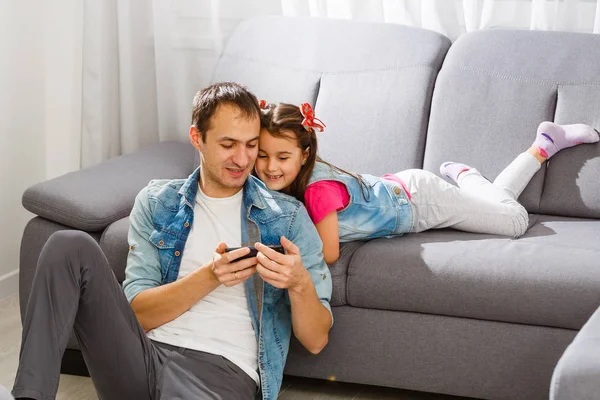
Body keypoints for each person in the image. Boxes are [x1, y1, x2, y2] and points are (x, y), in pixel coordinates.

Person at [12, 83, 333, 400]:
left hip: (221, 373)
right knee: (68, 245)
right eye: (228, 144)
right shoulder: (157, 201)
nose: (242, 158)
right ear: (198, 138)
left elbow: (316, 340)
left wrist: (299, 283)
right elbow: (138, 314)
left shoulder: (286, 217)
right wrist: (209, 277)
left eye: (251, 145)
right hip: (143, 356)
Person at [255, 102, 599, 264]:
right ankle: (544, 144)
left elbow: (328, 252)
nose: (270, 167)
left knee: (515, 221)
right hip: (404, 189)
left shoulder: (317, 190)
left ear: (304, 154)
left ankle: (476, 175)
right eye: (262, 155)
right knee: (501, 206)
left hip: (421, 202)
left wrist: (278, 253)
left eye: (282, 157)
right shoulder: (288, 181)